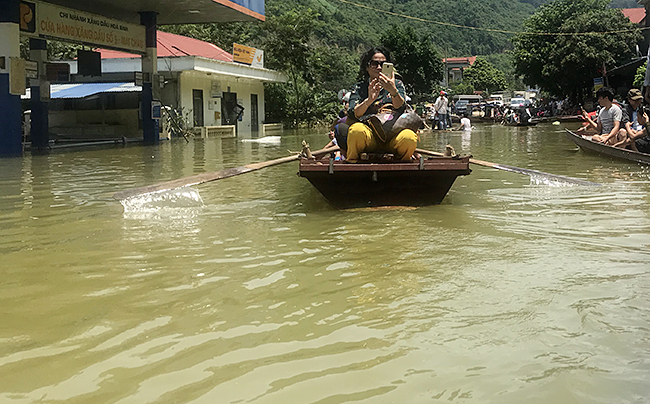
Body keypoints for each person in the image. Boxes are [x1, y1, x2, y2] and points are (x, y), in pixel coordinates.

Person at [345, 47, 418, 162]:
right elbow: (354, 114)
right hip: (369, 136)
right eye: (374, 63)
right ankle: (352, 164)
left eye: (383, 64)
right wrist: (369, 100)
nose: (379, 67)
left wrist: (393, 90)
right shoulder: (360, 88)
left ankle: (403, 167)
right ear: (367, 66)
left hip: (394, 134)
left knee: (409, 137)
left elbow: (400, 106)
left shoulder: (397, 84)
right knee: (356, 130)